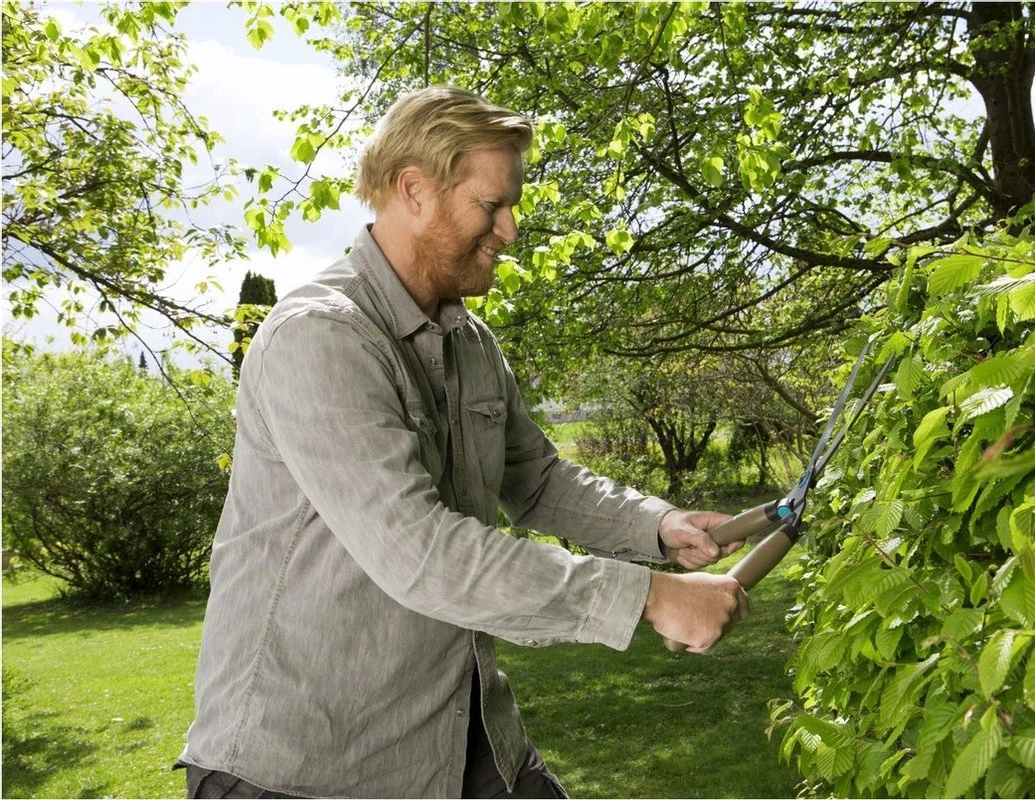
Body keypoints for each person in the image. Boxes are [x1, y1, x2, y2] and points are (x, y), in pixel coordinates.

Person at [177, 86, 749, 799]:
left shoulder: (470, 341)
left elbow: (534, 480)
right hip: (305, 766)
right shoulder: (319, 338)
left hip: (461, 739)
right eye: (491, 206)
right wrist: (646, 597)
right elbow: (420, 553)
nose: (510, 229)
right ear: (414, 190)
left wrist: (658, 527)